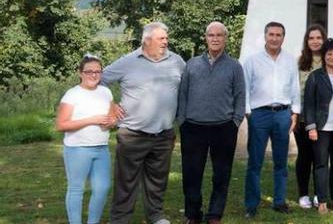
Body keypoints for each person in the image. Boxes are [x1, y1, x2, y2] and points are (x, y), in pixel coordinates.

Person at [102, 22, 185, 224]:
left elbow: (188, 86)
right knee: (126, 181)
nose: (166, 42)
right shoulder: (128, 61)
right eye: (161, 38)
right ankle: (121, 219)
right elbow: (100, 79)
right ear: (147, 40)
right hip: (133, 133)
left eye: (166, 38)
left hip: (164, 134)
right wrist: (111, 104)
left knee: (158, 180)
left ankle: (156, 215)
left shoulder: (177, 61)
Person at [177, 22, 245, 224]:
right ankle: (193, 214)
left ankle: (215, 214)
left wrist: (236, 121)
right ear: (205, 38)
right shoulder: (192, 64)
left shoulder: (234, 66)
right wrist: (182, 121)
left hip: (224, 127)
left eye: (219, 35)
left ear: (225, 38)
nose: (215, 39)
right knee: (191, 174)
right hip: (193, 127)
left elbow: (240, 96)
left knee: (221, 174)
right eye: (211, 35)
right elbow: (183, 94)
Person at [241, 21, 301, 218]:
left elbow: (295, 87)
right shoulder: (252, 61)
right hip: (259, 114)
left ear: (283, 37)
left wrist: (295, 112)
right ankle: (251, 204)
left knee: (281, 162)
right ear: (265, 36)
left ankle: (279, 201)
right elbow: (245, 88)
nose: (274, 38)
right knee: (255, 161)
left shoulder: (290, 60)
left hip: (283, 114)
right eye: (271, 34)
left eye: (278, 35)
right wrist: (248, 113)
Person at [56, 54, 114, 224]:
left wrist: (111, 122)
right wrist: (92, 120)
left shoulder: (106, 92)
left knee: (102, 188)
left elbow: (112, 117)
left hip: (101, 148)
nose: (94, 75)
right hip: (77, 149)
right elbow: (61, 125)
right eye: (89, 71)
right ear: (80, 73)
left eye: (98, 71)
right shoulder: (72, 95)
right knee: (76, 189)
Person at [303, 38, 333, 214]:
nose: (332, 57)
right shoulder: (315, 76)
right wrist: (311, 127)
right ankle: (322, 201)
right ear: (324, 55)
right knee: (321, 164)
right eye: (329, 54)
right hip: (321, 128)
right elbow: (309, 104)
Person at [294, 24, 326, 210]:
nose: (315, 41)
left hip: (324, 119)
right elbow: (294, 89)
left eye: (318, 38)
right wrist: (295, 115)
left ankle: (319, 194)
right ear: (307, 41)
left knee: (321, 158)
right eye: (311, 38)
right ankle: (303, 194)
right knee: (305, 157)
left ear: (324, 40)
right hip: (303, 118)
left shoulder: (330, 59)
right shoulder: (300, 62)